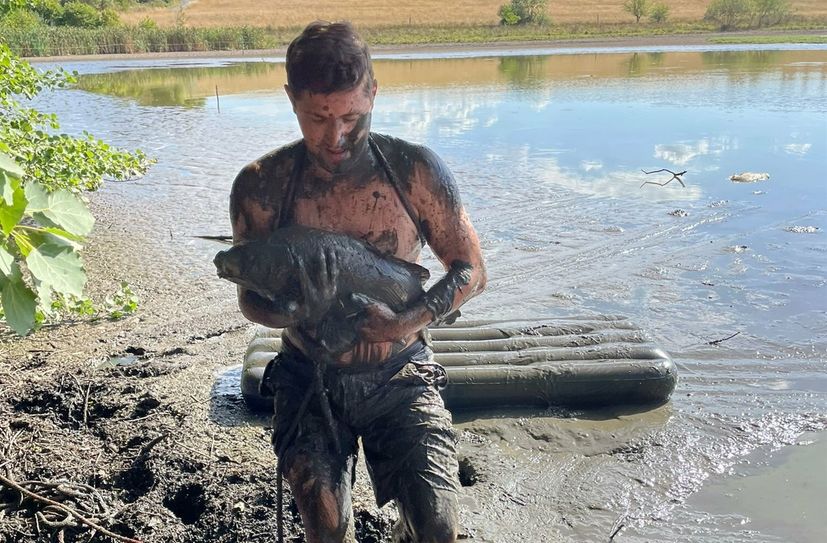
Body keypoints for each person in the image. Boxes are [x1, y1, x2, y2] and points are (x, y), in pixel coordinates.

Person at [229, 21, 486, 543]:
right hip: (308, 374)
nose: (336, 137)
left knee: (437, 527)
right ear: (290, 100)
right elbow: (250, 302)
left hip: (402, 374)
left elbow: (472, 271)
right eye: (317, 118)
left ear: (373, 90)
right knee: (326, 530)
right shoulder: (261, 185)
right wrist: (298, 310)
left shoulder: (416, 171)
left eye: (352, 115)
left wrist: (404, 322)